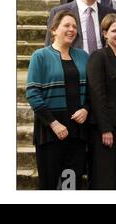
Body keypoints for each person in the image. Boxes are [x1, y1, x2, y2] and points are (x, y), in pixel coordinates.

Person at [27, 10, 89, 189]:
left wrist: (86, 108)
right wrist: (54, 124)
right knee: (51, 184)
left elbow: (92, 90)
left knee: (70, 183)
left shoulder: (83, 56)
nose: (71, 30)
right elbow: (33, 93)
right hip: (51, 131)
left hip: (77, 131)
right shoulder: (40, 56)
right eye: (67, 25)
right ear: (53, 30)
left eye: (74, 27)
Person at [86, 13, 116, 189]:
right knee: (106, 177)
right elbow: (97, 95)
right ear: (105, 34)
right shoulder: (98, 57)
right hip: (106, 129)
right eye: (114, 30)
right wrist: (105, 129)